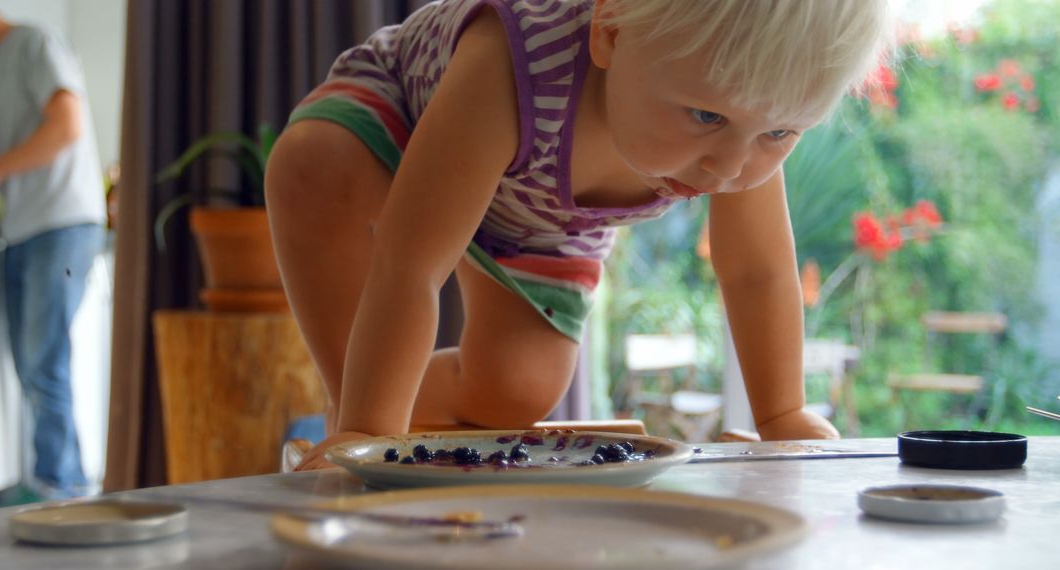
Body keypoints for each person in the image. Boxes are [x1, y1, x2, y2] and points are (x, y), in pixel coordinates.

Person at [266, 0, 894, 470]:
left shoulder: (745, 114)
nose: (730, 167)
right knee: (315, 165)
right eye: (705, 115)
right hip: (405, 126)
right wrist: (368, 433)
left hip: (539, 218)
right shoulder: (511, 63)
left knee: (517, 387)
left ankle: (391, 397)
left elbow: (757, 272)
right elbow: (411, 264)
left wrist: (781, 414)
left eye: (781, 134)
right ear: (609, 31)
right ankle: (351, 410)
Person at [0, 1, 106, 500]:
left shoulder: (36, 44)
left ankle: (61, 485)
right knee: (30, 362)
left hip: (63, 223)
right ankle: (54, 478)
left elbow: (66, 126)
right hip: (21, 228)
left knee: (44, 357)